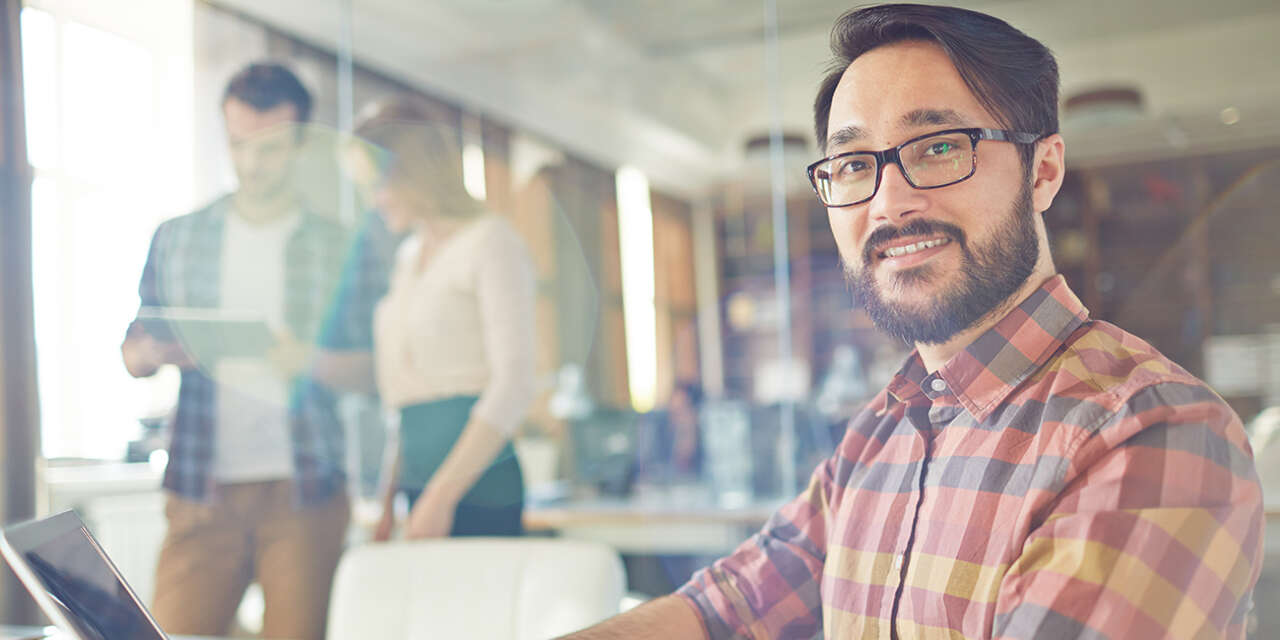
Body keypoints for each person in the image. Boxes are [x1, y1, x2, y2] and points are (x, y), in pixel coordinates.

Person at [562, 4, 1263, 639]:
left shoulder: (1153, 435)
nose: (888, 203)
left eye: (938, 147)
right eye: (852, 164)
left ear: (1043, 172)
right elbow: (727, 608)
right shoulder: (883, 431)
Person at [121, 62, 384, 640]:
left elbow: (376, 373)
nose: (251, 164)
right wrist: (152, 355)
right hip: (199, 488)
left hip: (306, 491)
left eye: (269, 148)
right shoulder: (178, 238)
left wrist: (306, 361)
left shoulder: (337, 245)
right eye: (238, 144)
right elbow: (134, 348)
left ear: (299, 144)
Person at [347, 98, 538, 540]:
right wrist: (388, 500)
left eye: (380, 184)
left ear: (415, 171)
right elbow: (409, 393)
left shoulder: (491, 242)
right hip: (420, 479)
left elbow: (514, 384)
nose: (374, 200)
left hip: (479, 481)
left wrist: (442, 496)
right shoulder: (409, 256)